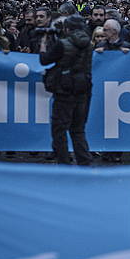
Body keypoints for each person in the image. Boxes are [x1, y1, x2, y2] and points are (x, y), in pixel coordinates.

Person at [39, 14, 94, 165]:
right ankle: (84, 161)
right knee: (78, 129)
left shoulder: (63, 44)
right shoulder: (88, 43)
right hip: (84, 88)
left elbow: (44, 60)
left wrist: (43, 44)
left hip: (64, 89)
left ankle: (64, 161)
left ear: (67, 28)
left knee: (59, 128)